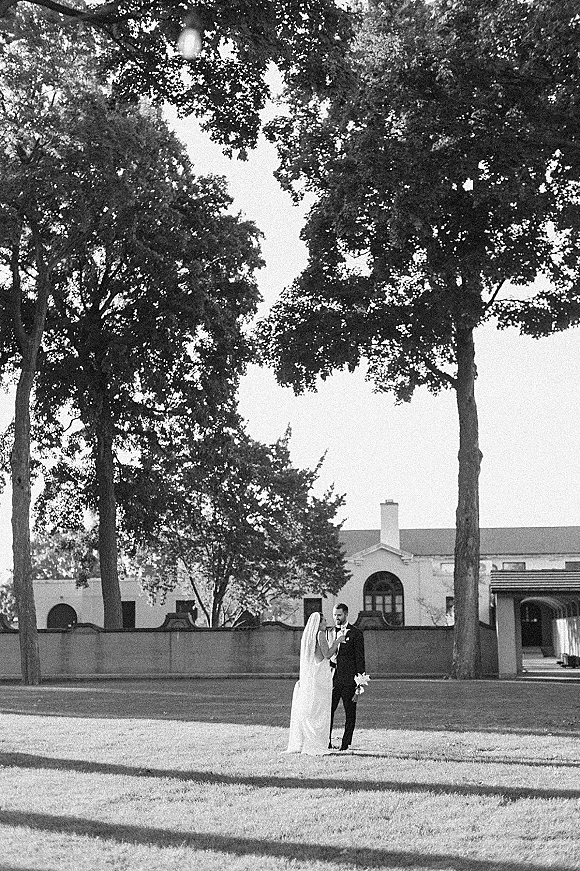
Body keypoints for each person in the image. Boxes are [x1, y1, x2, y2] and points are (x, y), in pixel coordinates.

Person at [286, 611, 346, 755]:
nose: (326, 623)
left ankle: (309, 740)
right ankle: (317, 742)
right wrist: (337, 641)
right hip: (320, 677)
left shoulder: (309, 637)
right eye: (324, 621)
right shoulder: (319, 634)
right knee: (320, 710)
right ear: (318, 623)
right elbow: (327, 655)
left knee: (314, 709)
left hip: (314, 674)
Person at [328, 603, 365, 751]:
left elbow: (360, 660)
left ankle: (345, 744)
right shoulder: (329, 632)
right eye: (334, 615)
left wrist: (360, 685)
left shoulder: (356, 633)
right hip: (332, 680)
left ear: (346, 614)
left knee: (350, 713)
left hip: (350, 681)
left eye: (339, 615)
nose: (336, 618)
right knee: (328, 711)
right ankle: (326, 741)